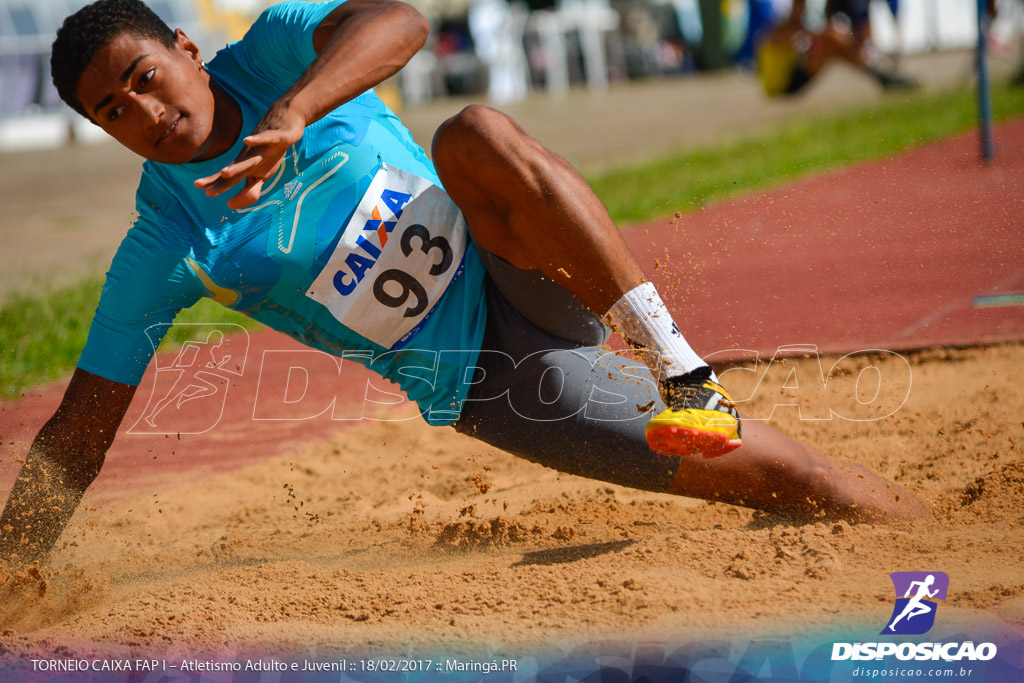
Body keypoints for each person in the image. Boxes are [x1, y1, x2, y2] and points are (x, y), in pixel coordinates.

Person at [0, 0, 927, 568]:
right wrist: (14, 570)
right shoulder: (170, 237)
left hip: (516, 254)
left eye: (146, 78)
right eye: (114, 112)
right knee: (805, 480)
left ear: (183, 48)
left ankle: (686, 370)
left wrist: (297, 107)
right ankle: (935, 541)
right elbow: (81, 423)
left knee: (472, 133)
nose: (150, 115)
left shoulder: (278, 48)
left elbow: (397, 23)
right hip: (493, 375)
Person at [757, 0, 918, 97]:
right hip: (779, 86)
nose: (802, 10)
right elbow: (783, 38)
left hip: (788, 77)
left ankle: (877, 73)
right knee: (831, 39)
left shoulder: (788, 27)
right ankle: (877, 73)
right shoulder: (780, 28)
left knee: (831, 44)